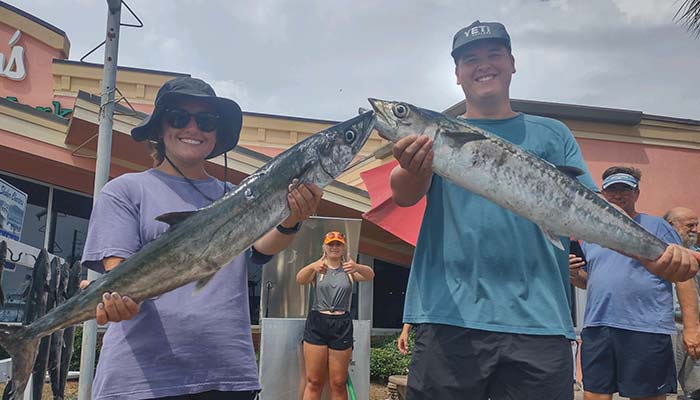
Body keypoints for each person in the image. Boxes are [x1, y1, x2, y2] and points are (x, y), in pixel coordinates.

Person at [389, 20, 699, 400]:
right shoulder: (431, 136)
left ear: (512, 63)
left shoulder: (553, 133)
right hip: (449, 315)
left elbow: (590, 211)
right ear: (456, 73)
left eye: (493, 54)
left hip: (540, 321)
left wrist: (648, 253)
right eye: (470, 59)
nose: (483, 64)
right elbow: (403, 195)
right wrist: (411, 165)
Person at [81, 76, 323, 400]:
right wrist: (115, 299)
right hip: (140, 380)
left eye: (206, 121)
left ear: (216, 133)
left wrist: (291, 219)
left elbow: (260, 248)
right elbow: (119, 272)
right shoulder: (125, 190)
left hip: (227, 374)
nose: (193, 128)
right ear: (159, 129)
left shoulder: (236, 196)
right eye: (179, 117)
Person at [569, 167, 699, 400]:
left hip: (645, 327)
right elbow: (591, 280)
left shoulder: (658, 227)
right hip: (598, 327)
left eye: (625, 189)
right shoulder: (589, 231)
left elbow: (683, 277)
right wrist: (573, 275)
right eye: (612, 190)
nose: (618, 195)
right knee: (594, 395)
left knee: (646, 396)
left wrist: (692, 328)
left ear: (637, 193)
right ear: (603, 193)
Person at [296, 230, 374, 400]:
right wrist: (311, 266)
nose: (334, 247)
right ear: (324, 247)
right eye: (331, 244)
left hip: (341, 323)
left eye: (338, 244)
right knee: (314, 380)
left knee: (338, 382)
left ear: (343, 247)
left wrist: (357, 266)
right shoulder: (318, 267)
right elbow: (300, 279)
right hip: (318, 321)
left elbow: (369, 275)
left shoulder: (349, 269)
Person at [664, 207, 700, 397]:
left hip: (694, 328)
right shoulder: (656, 251)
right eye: (690, 225)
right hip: (666, 328)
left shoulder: (696, 254)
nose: (695, 229)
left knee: (696, 389)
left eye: (696, 225)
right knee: (663, 387)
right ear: (671, 226)